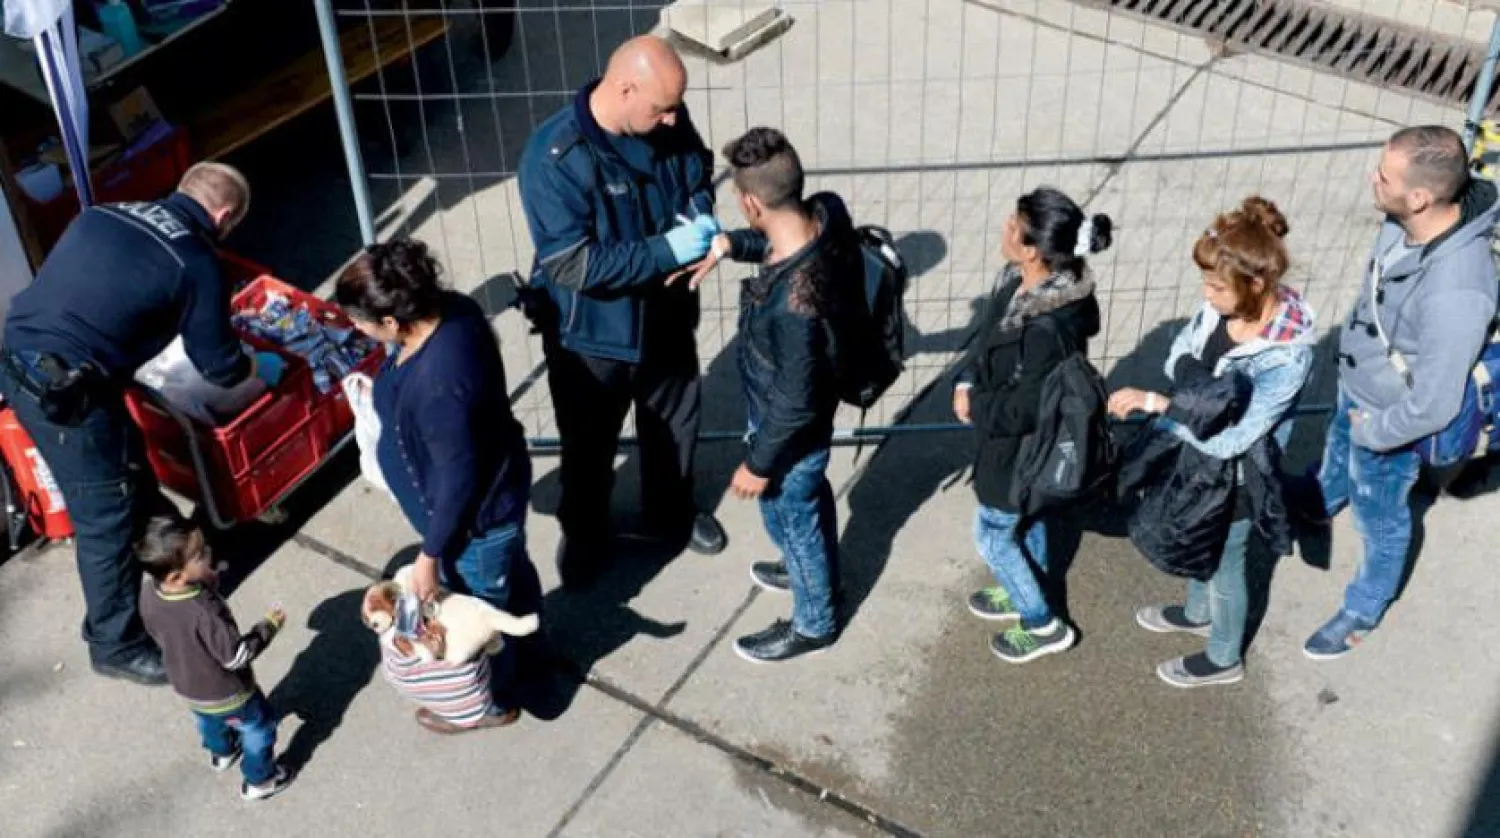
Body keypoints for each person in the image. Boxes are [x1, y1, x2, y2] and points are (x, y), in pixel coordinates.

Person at [0, 162, 281, 686]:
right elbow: (218, 366)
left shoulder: (105, 213)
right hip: (66, 396)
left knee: (129, 470)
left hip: (24, 356)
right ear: (224, 216)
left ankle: (179, 551)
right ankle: (115, 642)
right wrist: (257, 368)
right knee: (104, 517)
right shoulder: (194, 258)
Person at [517, 34, 727, 589]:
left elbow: (696, 173)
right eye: (662, 108)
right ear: (626, 88)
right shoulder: (555, 157)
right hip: (593, 337)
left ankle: (671, 515)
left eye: (675, 108)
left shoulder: (666, 121)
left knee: (675, 429)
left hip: (666, 317)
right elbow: (572, 265)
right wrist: (665, 251)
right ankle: (584, 534)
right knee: (588, 447)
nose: (673, 119)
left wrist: (700, 217)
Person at [1301, 125, 1500, 659]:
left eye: (1384, 176)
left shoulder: (1457, 290)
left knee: (1381, 517)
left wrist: (1377, 434)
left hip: (1389, 418)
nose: (1374, 179)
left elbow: (1433, 404)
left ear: (1420, 196)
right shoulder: (1402, 222)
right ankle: (1323, 499)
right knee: (1335, 450)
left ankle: (1363, 607)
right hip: (1358, 382)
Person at [1109, 197, 1315, 688]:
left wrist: (1167, 405)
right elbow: (1179, 351)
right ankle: (1195, 610)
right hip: (1197, 453)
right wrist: (1193, 393)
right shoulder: (1221, 306)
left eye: (1216, 286)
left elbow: (1233, 439)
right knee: (1202, 536)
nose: (1207, 295)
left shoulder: (1286, 360)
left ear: (1256, 284)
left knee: (1227, 561)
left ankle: (1224, 658)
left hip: (1239, 474)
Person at [335, 238, 539, 733]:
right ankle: (534, 648)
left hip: (472, 526)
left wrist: (429, 558)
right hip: (498, 497)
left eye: (358, 321)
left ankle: (496, 698)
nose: (355, 329)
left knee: (481, 610)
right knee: (512, 578)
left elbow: (458, 480)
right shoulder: (453, 311)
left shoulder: (438, 386)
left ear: (391, 322)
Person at [686, 128, 858, 662]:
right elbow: (781, 241)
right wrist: (735, 244)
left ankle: (814, 621)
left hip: (787, 431)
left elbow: (794, 402)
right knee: (804, 506)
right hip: (802, 419)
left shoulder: (795, 305)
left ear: (750, 201)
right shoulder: (824, 215)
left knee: (790, 508)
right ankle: (814, 573)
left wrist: (757, 464)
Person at [952, 187, 1111, 664]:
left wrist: (974, 406)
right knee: (1031, 518)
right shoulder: (1027, 283)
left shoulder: (1045, 328)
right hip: (1021, 445)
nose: (1004, 226)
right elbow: (987, 344)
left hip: (1019, 451)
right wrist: (967, 377)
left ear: (1033, 250)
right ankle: (1026, 580)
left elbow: (1025, 409)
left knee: (994, 535)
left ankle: (1041, 622)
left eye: (1012, 225)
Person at [136, 514, 292, 801]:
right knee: (259, 727)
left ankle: (222, 752)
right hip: (228, 692)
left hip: (186, 684)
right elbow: (235, 657)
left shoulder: (149, 593)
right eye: (199, 555)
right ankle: (260, 778)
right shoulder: (205, 612)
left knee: (209, 720)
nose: (208, 554)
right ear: (177, 576)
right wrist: (267, 628)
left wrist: (206, 582)